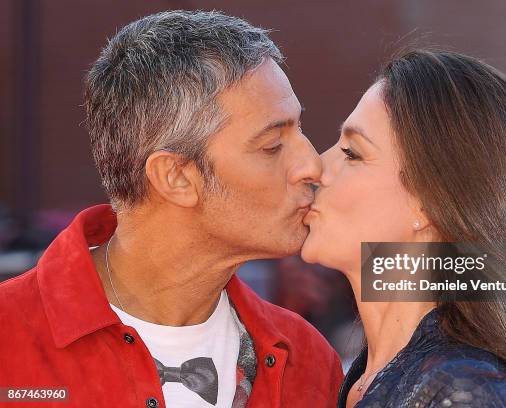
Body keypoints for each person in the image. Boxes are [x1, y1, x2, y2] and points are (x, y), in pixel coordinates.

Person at [0, 10, 342, 407]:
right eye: (271, 146)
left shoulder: (310, 361)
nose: (313, 165)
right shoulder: (8, 340)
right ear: (176, 177)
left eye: (299, 129)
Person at [301, 49, 506, 407]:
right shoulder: (376, 375)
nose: (315, 166)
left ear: (430, 204)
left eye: (352, 153)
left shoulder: (460, 389)